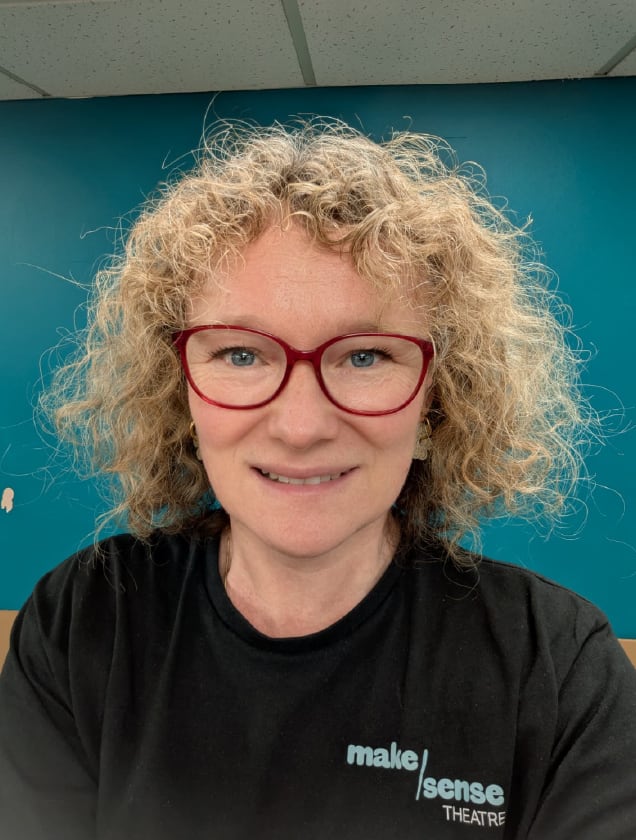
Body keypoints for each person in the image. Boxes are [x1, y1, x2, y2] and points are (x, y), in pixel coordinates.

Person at [0, 119, 634, 840]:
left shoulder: (556, 667)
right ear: (180, 393)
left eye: (365, 357)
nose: (301, 426)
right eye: (240, 354)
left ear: (437, 402)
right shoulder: (82, 623)